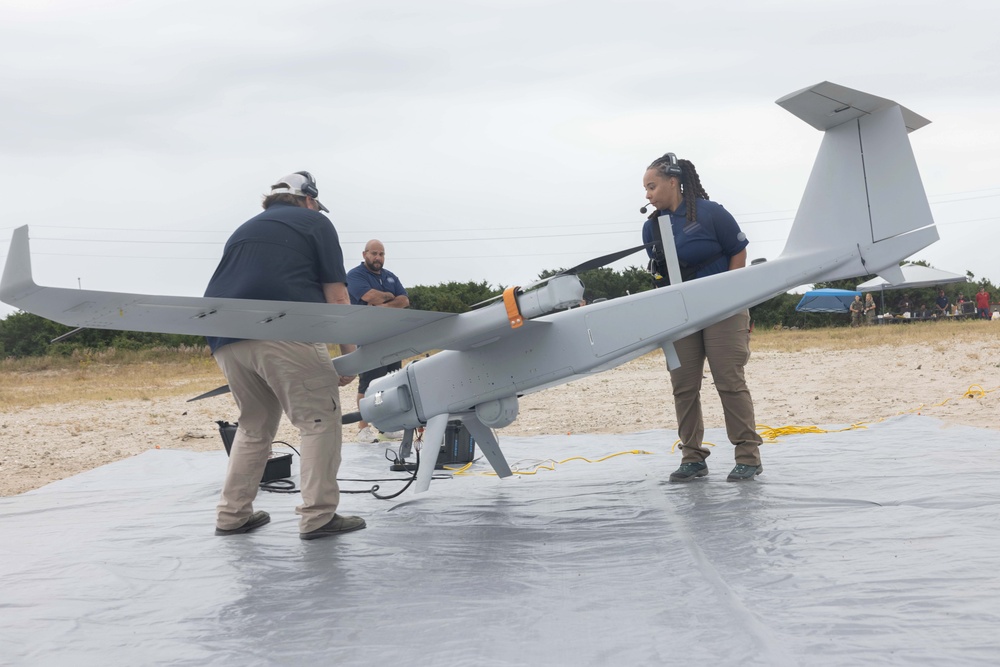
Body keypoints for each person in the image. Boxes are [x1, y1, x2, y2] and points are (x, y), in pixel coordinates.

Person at [204, 171, 366, 540]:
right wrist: (350, 356)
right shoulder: (314, 221)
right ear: (308, 199)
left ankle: (232, 515)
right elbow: (337, 297)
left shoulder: (244, 229)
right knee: (319, 420)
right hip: (282, 329)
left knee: (254, 425)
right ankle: (318, 516)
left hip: (224, 337)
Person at [641, 153, 763, 482]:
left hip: (724, 310)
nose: (648, 195)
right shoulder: (650, 226)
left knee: (729, 381)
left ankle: (748, 456)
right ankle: (693, 457)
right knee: (683, 387)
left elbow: (739, 251)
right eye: (645, 189)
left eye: (652, 186)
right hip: (681, 315)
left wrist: (731, 295)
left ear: (673, 182)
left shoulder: (711, 214)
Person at [347, 239, 410, 443]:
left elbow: (405, 300)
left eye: (381, 254)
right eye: (374, 253)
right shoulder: (355, 275)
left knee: (391, 383)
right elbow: (369, 296)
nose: (377, 258)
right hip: (369, 337)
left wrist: (383, 305)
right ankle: (363, 428)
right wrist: (388, 297)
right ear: (364, 254)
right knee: (367, 385)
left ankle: (387, 427)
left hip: (392, 337)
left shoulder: (390, 276)